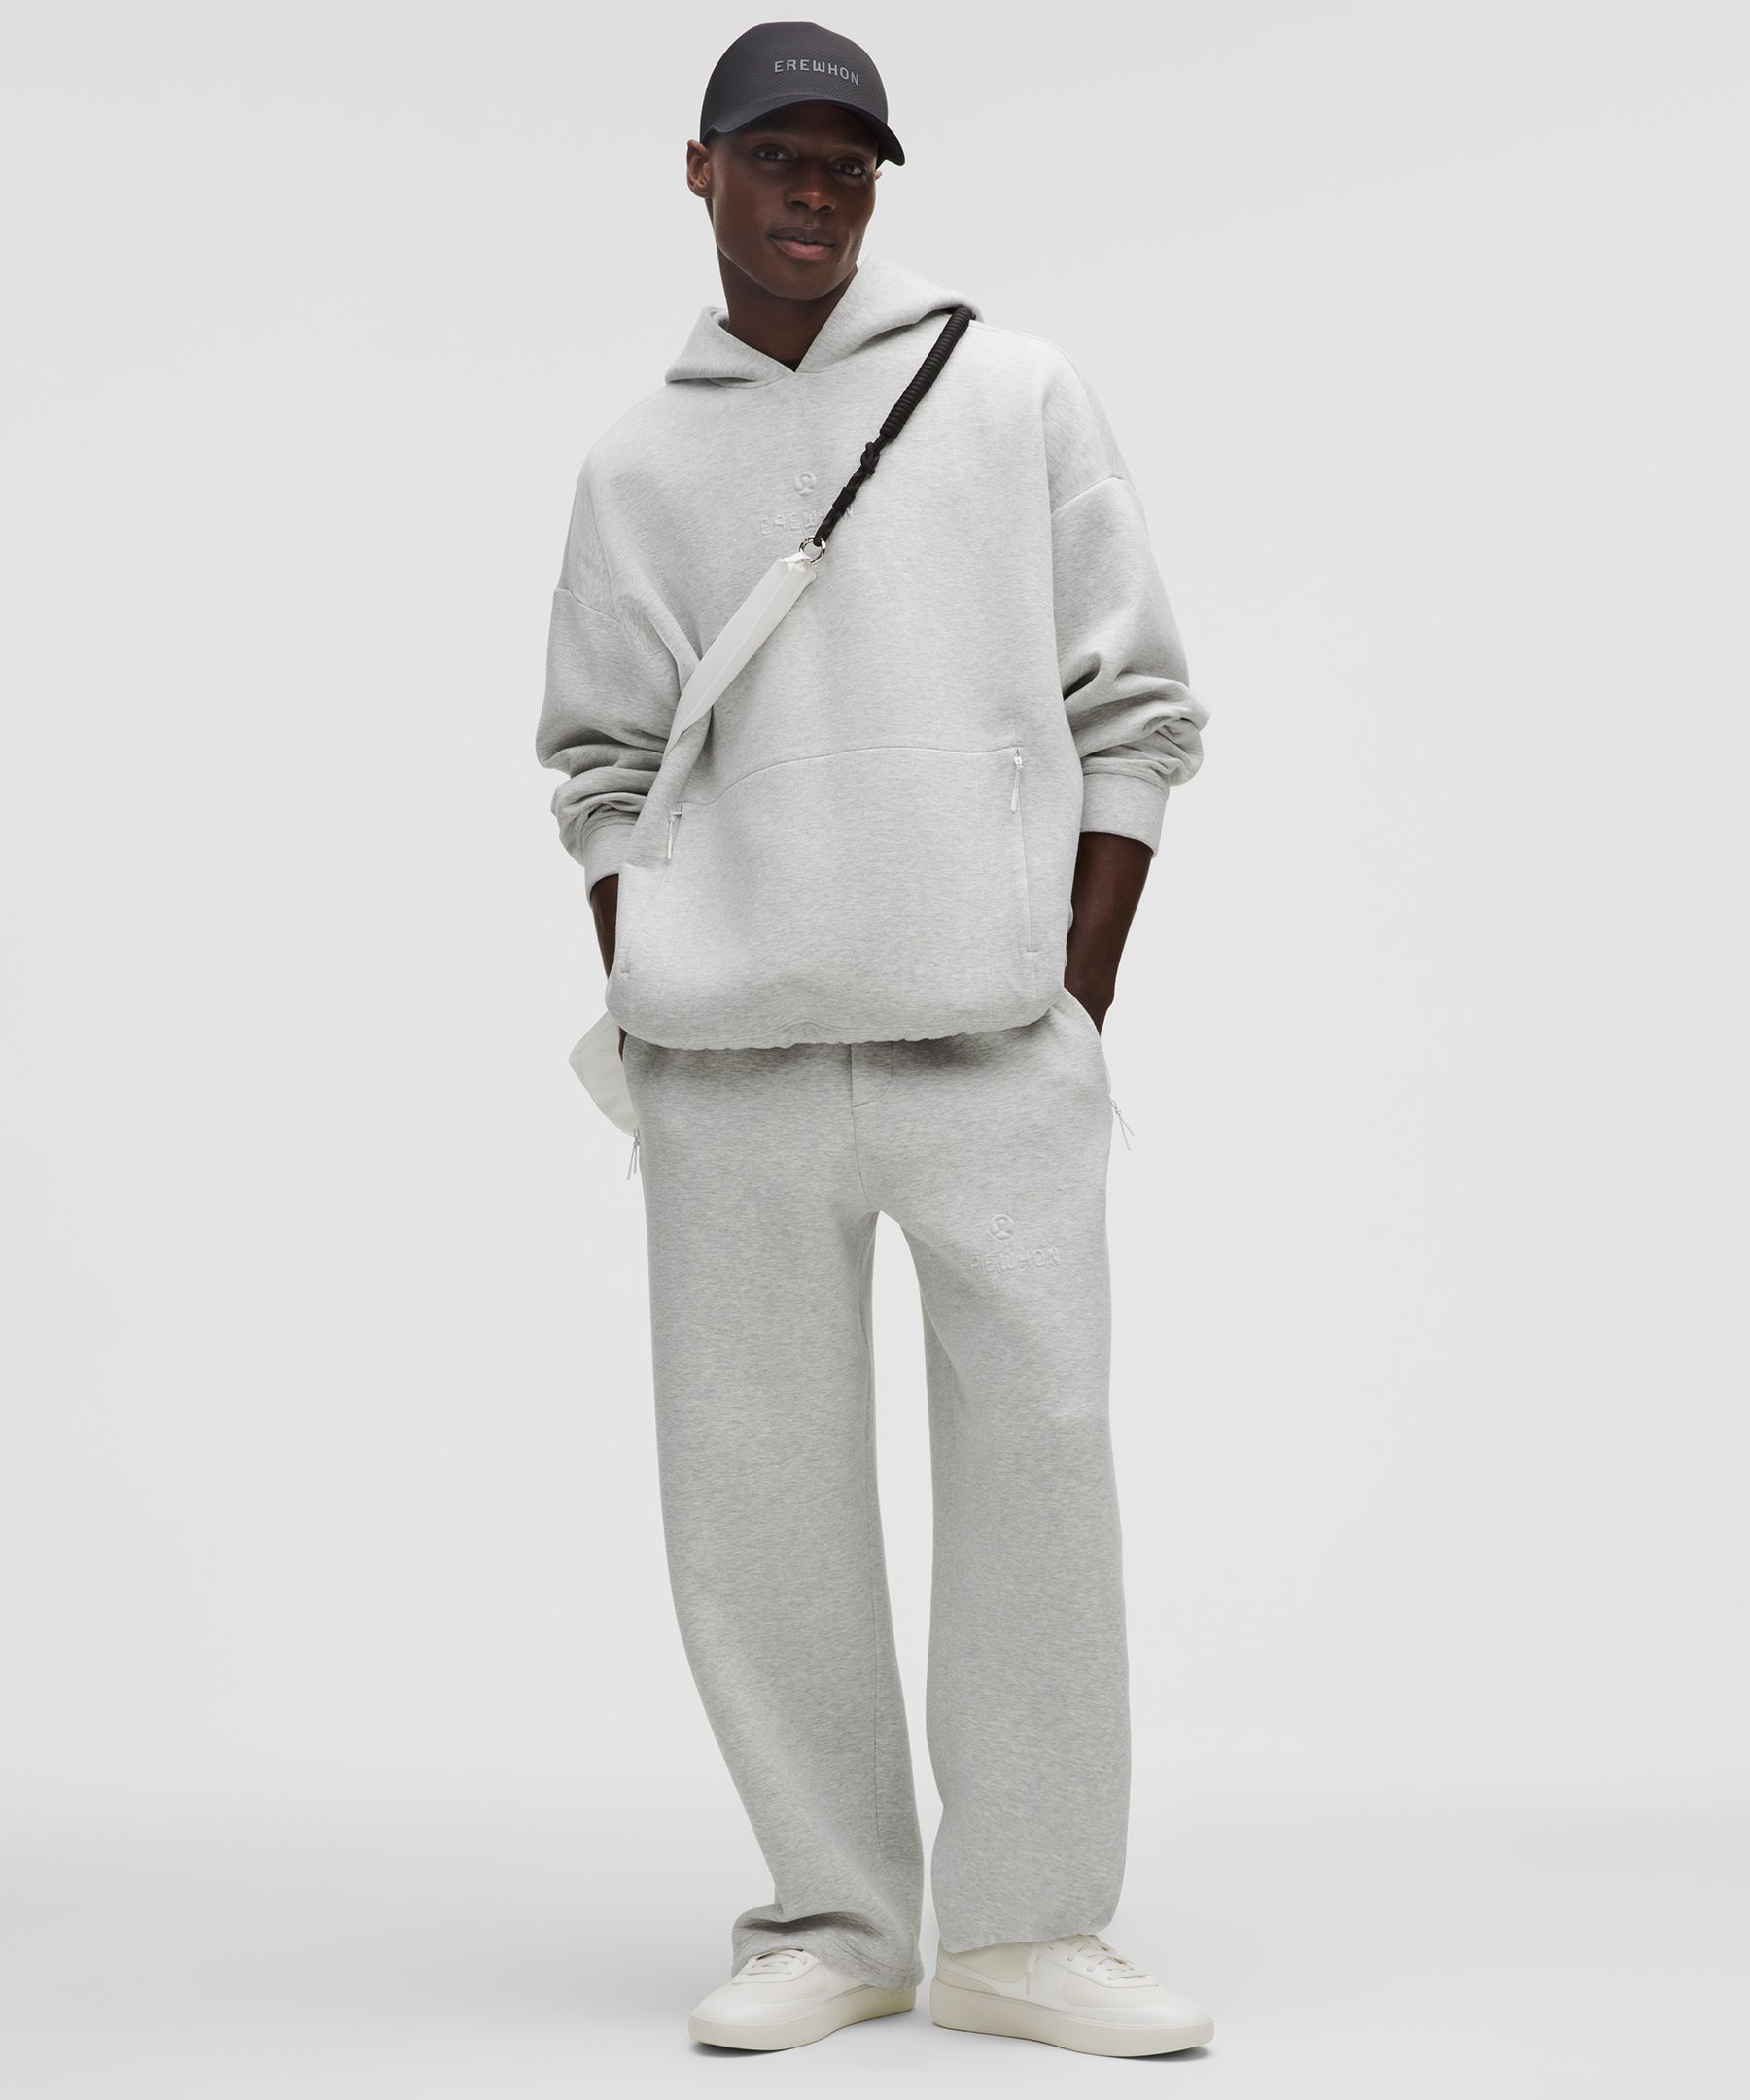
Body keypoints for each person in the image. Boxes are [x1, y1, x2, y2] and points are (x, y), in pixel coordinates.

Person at [536, 19, 1212, 2060]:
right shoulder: (639, 463)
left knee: (1044, 1478)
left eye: (848, 159)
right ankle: (832, 1919)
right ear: (702, 172)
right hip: (729, 1071)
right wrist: (663, 971)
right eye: (777, 155)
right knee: (756, 1508)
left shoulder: (1010, 393)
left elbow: (1138, 705)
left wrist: (1069, 984)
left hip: (989, 1049)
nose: (815, 189)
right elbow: (598, 757)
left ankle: (1025, 1931)